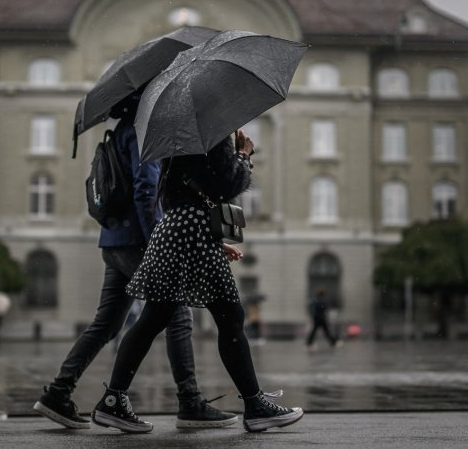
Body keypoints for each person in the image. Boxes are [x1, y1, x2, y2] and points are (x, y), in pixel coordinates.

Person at [34, 94, 236, 430]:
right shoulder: (144, 133)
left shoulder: (121, 131)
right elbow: (145, 191)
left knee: (108, 322)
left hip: (115, 239)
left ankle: (59, 391)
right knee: (179, 316)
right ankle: (189, 402)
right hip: (137, 241)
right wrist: (160, 241)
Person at [91, 129, 304, 433]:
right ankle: (256, 406)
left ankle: (113, 401)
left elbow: (188, 190)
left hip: (179, 229)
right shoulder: (208, 132)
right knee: (230, 317)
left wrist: (215, 242)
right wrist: (243, 155)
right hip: (193, 231)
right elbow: (225, 186)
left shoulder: (179, 134)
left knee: (156, 316)